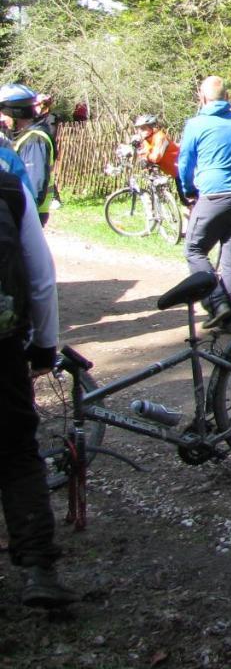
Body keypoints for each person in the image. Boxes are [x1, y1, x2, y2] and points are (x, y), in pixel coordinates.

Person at [0, 169, 78, 608]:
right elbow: (42, 278)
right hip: (3, 348)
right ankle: (38, 569)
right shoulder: (9, 188)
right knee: (16, 456)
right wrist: (45, 347)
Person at [177, 76, 231, 332]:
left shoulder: (196, 124)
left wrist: (188, 190)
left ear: (202, 97)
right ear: (227, 98)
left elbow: (185, 162)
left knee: (194, 249)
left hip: (213, 194)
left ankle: (216, 301)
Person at [0, 84, 56, 227]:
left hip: (30, 214)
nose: (2, 120)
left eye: (3, 115)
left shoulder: (35, 140)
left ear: (16, 113)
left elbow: (33, 187)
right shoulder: (25, 137)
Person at [132, 114, 181, 197]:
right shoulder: (146, 141)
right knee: (187, 201)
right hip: (174, 172)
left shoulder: (160, 137)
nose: (140, 131)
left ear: (152, 127)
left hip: (183, 168)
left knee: (190, 200)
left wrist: (145, 154)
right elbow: (145, 157)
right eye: (139, 129)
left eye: (143, 128)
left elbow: (155, 158)